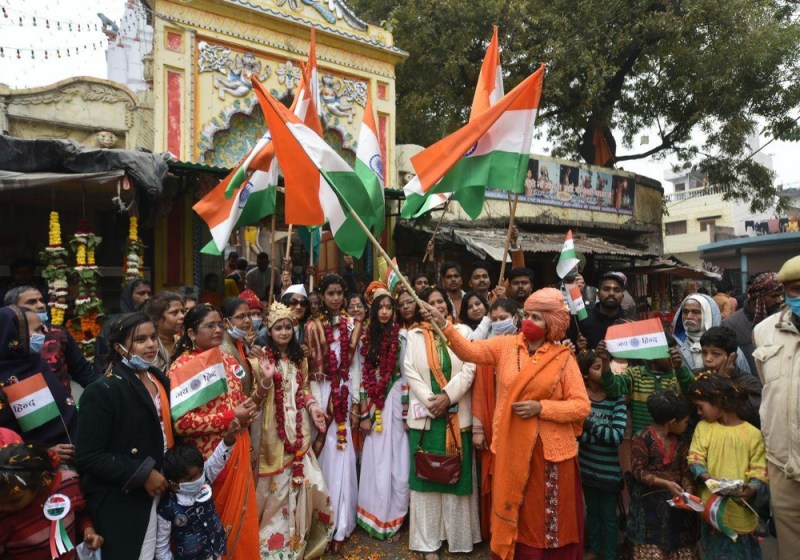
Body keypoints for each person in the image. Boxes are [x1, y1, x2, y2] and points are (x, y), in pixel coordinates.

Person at [427, 287, 590, 559]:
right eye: (528, 315)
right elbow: (469, 351)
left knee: (548, 517)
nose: (529, 322)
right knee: (516, 509)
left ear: (551, 324)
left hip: (549, 454)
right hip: (512, 448)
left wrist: (542, 408)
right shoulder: (505, 346)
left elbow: (581, 406)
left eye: (537, 318)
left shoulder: (563, 359)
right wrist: (444, 324)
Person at [76, 311, 173, 559]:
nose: (151, 344)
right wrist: (142, 473)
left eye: (152, 337)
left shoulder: (157, 377)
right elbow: (88, 456)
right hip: (123, 498)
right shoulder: (104, 390)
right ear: (119, 348)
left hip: (160, 489)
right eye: (140, 340)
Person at [169, 305, 260, 560]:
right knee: (215, 529)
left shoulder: (228, 359)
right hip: (209, 462)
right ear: (190, 332)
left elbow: (239, 400)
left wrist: (248, 412)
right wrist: (231, 417)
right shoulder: (182, 367)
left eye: (220, 324)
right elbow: (182, 423)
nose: (218, 329)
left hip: (239, 449)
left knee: (243, 519)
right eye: (210, 325)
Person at [252, 302, 332, 558]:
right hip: (272, 432)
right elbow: (257, 395)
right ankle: (273, 548)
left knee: (308, 484)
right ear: (270, 331)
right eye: (278, 328)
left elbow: (305, 389)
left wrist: (313, 408)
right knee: (275, 493)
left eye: (288, 327)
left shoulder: (300, 358)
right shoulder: (260, 357)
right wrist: (265, 377)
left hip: (299, 429)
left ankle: (298, 541)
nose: (284, 332)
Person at [406, 286, 480, 558]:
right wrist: (431, 400)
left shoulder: (463, 333)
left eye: (440, 302)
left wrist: (447, 397)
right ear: (422, 308)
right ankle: (428, 543)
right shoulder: (413, 335)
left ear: (448, 306)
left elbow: (470, 366)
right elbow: (410, 372)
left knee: (455, 479)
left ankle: (458, 538)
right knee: (426, 479)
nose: (435, 306)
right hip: (426, 418)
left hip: (456, 414)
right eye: (430, 302)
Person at [303, 273, 362, 552]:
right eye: (331, 293)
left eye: (340, 293)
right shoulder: (313, 327)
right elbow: (309, 371)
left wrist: (356, 402)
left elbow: (356, 367)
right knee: (324, 456)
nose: (336, 298)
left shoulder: (353, 325)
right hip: (322, 394)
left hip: (345, 393)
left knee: (343, 455)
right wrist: (316, 403)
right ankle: (323, 522)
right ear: (322, 297)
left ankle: (342, 524)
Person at [687, 373, 768, 559]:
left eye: (700, 407)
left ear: (718, 400)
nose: (698, 413)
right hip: (712, 512)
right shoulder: (703, 428)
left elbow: (760, 470)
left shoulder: (753, 434)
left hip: (741, 513)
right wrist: (707, 477)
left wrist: (752, 489)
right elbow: (695, 459)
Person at [752, 254, 800, 560]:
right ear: (785, 292)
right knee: (789, 546)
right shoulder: (765, 331)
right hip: (783, 462)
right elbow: (769, 389)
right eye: (795, 289)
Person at [356, 293, 410, 541]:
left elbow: (407, 374)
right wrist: (364, 414)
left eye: (390, 307)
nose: (385, 312)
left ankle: (396, 519)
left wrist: (408, 412)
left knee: (397, 461)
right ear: (374, 311)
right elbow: (363, 376)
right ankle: (375, 515)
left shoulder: (402, 337)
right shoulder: (366, 339)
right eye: (381, 307)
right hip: (374, 406)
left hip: (396, 402)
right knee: (375, 459)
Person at [626, 391, 697, 559]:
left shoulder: (681, 442)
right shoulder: (642, 438)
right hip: (648, 512)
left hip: (677, 512)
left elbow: (685, 471)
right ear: (672, 422)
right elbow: (638, 471)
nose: (687, 425)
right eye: (686, 421)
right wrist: (666, 483)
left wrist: (688, 490)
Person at [0, 443, 104, 558]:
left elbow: (80, 512)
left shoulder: (67, 483)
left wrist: (88, 530)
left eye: (14, 501)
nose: (3, 507)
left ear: (42, 479)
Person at [470, 297, 519, 540]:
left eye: (504, 319)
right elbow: (479, 390)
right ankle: (497, 534)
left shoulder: (527, 347)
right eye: (495, 319)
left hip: (520, 428)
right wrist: (478, 429)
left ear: (516, 319)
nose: (499, 323)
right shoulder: (487, 349)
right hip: (493, 426)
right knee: (497, 480)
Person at [155, 426, 240, 560]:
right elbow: (161, 548)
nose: (199, 478)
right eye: (190, 478)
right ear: (173, 484)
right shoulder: (167, 509)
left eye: (200, 472)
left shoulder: (205, 479)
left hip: (216, 550)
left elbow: (217, 459)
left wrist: (228, 440)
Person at [0, 306, 78, 452]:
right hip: (34, 464)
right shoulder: (5, 376)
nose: (42, 335)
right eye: (36, 330)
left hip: (72, 448)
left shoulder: (35, 363)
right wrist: (45, 452)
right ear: (12, 335)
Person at [577, 349, 626, 560]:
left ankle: (610, 554)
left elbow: (616, 437)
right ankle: (593, 550)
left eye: (606, 367)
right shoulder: (579, 399)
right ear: (585, 374)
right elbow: (577, 435)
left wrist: (589, 425)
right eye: (598, 368)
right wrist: (596, 433)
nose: (606, 372)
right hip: (587, 468)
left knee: (608, 515)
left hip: (609, 473)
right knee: (592, 513)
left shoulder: (617, 400)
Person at [4, 285, 98, 393]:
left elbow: (83, 373)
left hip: (61, 406)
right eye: (31, 302)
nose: (40, 305)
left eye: (41, 300)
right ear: (13, 309)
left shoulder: (59, 333)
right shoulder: (4, 337)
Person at [597, 334, 693, 435]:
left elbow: (692, 392)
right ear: (652, 355)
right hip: (640, 441)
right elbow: (612, 389)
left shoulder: (679, 374)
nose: (673, 355)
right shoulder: (634, 374)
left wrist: (680, 369)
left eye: (675, 352)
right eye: (668, 352)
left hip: (669, 443)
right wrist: (605, 360)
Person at [672, 293, 752, 374]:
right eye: (685, 312)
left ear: (708, 315)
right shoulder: (676, 347)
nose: (689, 316)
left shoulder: (728, 347)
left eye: (695, 312)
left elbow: (744, 380)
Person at [698, 326, 761, 427]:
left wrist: (723, 383)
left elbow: (753, 418)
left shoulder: (749, 383)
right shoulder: (698, 377)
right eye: (704, 353)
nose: (708, 359)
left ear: (732, 357)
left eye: (715, 354)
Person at [722, 272, 784, 375]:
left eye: (781, 295)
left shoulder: (784, 319)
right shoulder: (730, 325)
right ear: (757, 297)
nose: (779, 300)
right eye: (774, 296)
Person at [94, 278, 153, 374]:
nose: (147, 298)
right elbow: (102, 357)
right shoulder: (114, 324)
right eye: (141, 293)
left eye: (149, 294)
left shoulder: (153, 320)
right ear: (129, 296)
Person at [567, 271, 628, 349]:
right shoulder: (582, 321)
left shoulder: (629, 324)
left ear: (622, 296)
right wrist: (579, 349)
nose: (611, 293)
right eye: (606, 289)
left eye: (616, 290)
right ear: (598, 295)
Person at [220, 297, 256, 395]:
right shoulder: (225, 350)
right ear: (225, 323)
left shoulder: (240, 342)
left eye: (249, 315)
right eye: (241, 316)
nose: (248, 320)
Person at [144, 291, 185, 373]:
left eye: (182, 312)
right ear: (155, 319)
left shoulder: (182, 342)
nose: (182, 316)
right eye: (174, 312)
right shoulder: (148, 347)